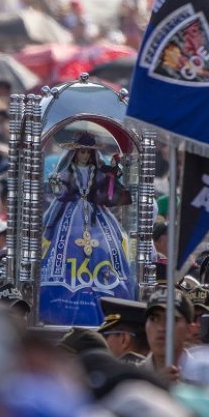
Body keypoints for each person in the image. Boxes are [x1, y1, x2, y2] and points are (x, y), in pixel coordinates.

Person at [38, 132, 134, 325]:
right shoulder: (68, 172)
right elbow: (60, 193)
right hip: (70, 214)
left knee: (107, 247)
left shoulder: (97, 172)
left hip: (96, 217)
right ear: (75, 153)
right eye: (81, 151)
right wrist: (57, 185)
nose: (84, 155)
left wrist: (112, 175)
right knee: (65, 247)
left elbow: (107, 190)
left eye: (87, 152)